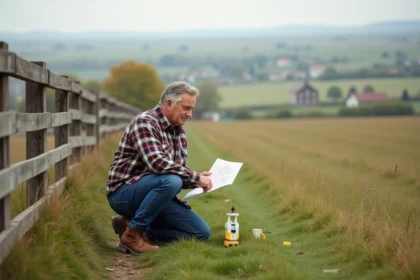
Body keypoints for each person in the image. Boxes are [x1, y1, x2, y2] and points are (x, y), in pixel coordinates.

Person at [105, 81, 213, 255]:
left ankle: (129, 226)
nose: (190, 114)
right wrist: (195, 177)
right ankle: (132, 236)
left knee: (200, 233)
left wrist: (198, 180)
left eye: (192, 109)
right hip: (123, 193)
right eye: (186, 108)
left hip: (155, 191)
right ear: (169, 104)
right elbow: (157, 163)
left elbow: (178, 170)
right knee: (171, 180)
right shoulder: (145, 122)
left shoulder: (178, 131)